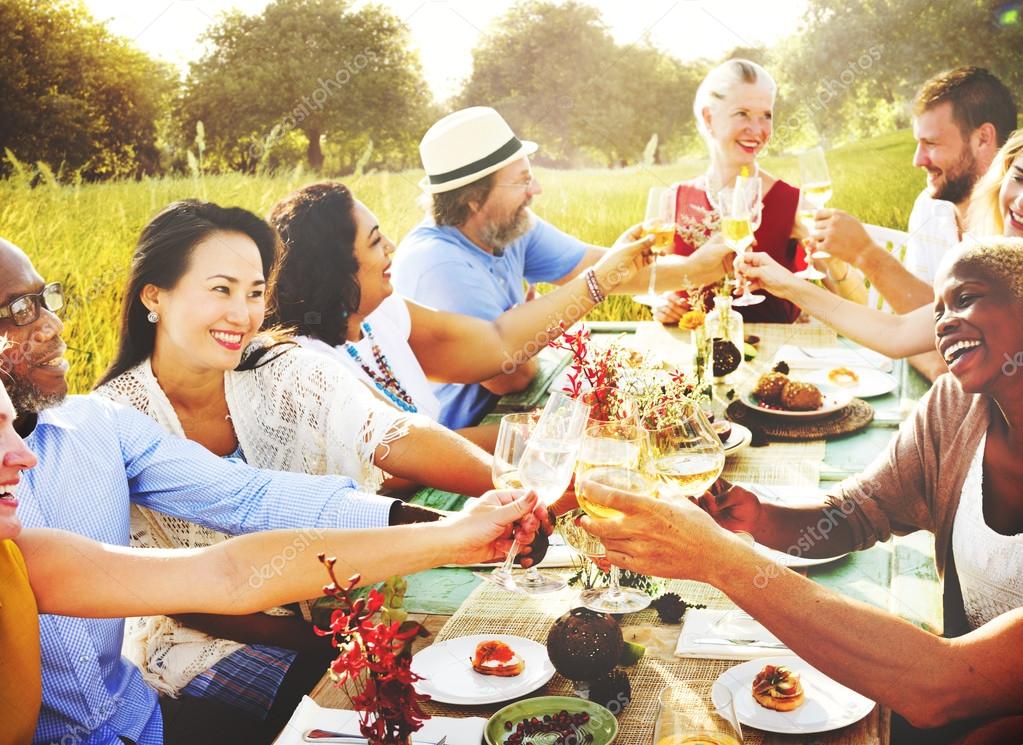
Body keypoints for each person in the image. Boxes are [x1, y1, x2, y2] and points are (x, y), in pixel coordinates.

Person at [0, 236, 510, 744]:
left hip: (142, 725)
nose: (52, 326)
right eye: (18, 310)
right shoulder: (122, 410)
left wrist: (450, 531)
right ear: (156, 298)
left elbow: (247, 510)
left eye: (46, 302)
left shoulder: (94, 431)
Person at [581, 237, 1023, 743]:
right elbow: (859, 511)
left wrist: (720, 560)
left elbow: (943, 688)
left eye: (966, 298)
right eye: (938, 308)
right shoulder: (956, 408)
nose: (942, 322)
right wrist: (760, 517)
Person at [392, 106, 734, 429]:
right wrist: (529, 334)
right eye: (523, 180)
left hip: (517, 408)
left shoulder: (509, 226)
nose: (536, 189)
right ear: (473, 197)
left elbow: (597, 266)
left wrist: (695, 270)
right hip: (468, 434)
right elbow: (510, 377)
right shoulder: (439, 264)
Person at [268, 181, 652, 449]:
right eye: (374, 241)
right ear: (335, 270)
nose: (391, 245)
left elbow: (495, 344)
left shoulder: (380, 314)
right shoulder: (307, 365)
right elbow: (403, 459)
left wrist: (602, 277)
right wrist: (551, 431)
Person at [797, 67, 1016, 380]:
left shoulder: (1012, 223)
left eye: (931, 143)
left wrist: (866, 255)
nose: (917, 160)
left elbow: (967, 343)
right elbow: (914, 323)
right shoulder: (929, 207)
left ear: (983, 138)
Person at [738, 129, 1023, 363]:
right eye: (1020, 178)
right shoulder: (994, 270)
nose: (1020, 201)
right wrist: (783, 283)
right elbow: (896, 334)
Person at [653, 58, 861, 326]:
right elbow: (656, 285)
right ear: (709, 118)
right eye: (742, 113)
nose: (757, 130)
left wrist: (835, 263)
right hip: (695, 357)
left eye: (766, 115)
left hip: (775, 361)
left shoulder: (793, 203)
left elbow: (858, 306)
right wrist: (661, 303)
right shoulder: (674, 199)